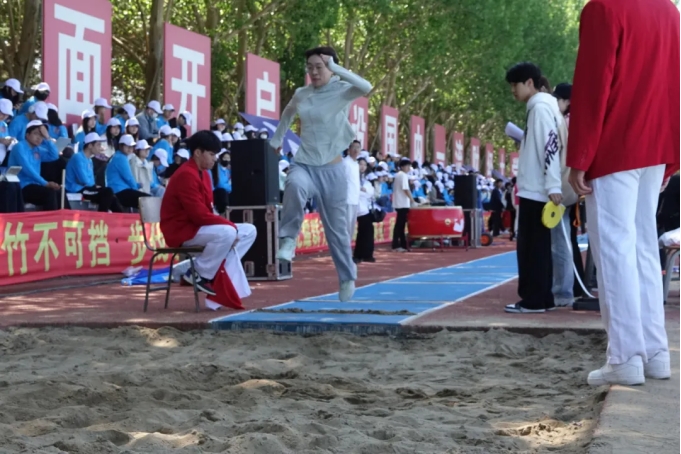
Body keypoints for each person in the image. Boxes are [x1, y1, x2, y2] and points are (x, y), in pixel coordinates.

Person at [567, 0, 679, 386]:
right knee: (644, 246)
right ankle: (655, 352)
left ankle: (625, 356)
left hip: (615, 144)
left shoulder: (603, 8)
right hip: (655, 143)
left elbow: (592, 86)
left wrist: (580, 156)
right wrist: (672, 156)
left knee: (615, 248)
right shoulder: (670, 11)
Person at [270, 46, 372, 302]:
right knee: (294, 185)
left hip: (333, 170)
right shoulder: (302, 94)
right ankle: (288, 239)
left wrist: (335, 66)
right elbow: (288, 112)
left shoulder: (342, 90)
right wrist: (277, 138)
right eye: (310, 68)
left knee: (337, 232)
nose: (314, 72)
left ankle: (347, 277)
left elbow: (366, 86)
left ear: (331, 68)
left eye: (319, 67)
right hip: (304, 163)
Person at [160, 130, 257, 297]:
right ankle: (199, 273)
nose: (215, 159)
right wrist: (230, 226)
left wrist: (230, 227)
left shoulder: (204, 173)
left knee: (249, 230)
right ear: (198, 153)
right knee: (228, 232)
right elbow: (199, 215)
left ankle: (209, 269)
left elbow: (207, 210)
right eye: (212, 154)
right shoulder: (186, 174)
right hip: (181, 231)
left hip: (196, 227)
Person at [504, 62, 563, 314]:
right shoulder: (543, 107)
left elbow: (549, 146)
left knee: (531, 248)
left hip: (536, 189)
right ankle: (543, 297)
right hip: (538, 187)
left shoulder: (539, 108)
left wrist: (553, 184)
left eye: (515, 85)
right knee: (539, 246)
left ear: (529, 83)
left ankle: (533, 300)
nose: (513, 91)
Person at [549, 82, 580, 308]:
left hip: (560, 188)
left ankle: (562, 292)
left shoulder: (563, 121)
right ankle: (563, 289)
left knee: (560, 243)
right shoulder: (571, 121)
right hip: (568, 188)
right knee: (564, 241)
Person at [8, 120, 65, 210]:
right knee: (49, 194)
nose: (39, 138)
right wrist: (45, 183)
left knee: (59, 192)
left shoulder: (37, 149)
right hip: (21, 186)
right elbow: (28, 170)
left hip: (35, 185)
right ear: (27, 135)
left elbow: (55, 155)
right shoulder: (19, 147)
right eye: (36, 134)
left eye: (41, 135)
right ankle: (51, 219)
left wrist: (47, 138)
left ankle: (66, 218)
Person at [65, 132, 124, 212]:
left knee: (111, 196)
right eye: (98, 145)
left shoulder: (89, 160)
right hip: (77, 189)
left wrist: (94, 186)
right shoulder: (78, 157)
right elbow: (84, 180)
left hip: (87, 189)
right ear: (90, 145)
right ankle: (101, 217)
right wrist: (95, 187)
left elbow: (91, 181)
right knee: (108, 192)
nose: (100, 147)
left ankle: (121, 217)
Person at [106, 135, 150, 209]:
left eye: (132, 146)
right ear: (121, 146)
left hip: (118, 190)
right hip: (120, 192)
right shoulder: (121, 158)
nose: (130, 148)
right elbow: (128, 178)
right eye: (127, 146)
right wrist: (135, 187)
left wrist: (137, 185)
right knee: (149, 200)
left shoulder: (118, 156)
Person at [354, 157, 376, 263]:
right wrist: (364, 191)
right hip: (357, 208)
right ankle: (358, 255)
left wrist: (365, 191)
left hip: (365, 209)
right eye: (360, 164)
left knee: (367, 231)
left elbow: (371, 192)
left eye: (364, 165)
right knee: (363, 232)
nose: (362, 167)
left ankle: (365, 254)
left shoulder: (365, 179)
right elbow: (356, 192)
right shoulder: (353, 177)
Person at [392, 158, 416, 252]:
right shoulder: (402, 175)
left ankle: (402, 244)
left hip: (401, 203)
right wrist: (412, 200)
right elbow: (406, 189)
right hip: (402, 203)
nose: (409, 168)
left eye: (409, 166)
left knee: (401, 225)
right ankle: (396, 245)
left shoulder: (400, 175)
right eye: (407, 166)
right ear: (402, 167)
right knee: (399, 225)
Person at [344, 140, 362, 241]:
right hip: (347, 200)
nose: (356, 150)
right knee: (346, 227)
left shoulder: (356, 164)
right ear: (349, 149)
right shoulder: (345, 163)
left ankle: (347, 249)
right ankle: (343, 249)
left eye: (358, 148)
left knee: (351, 228)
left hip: (355, 199)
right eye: (354, 147)